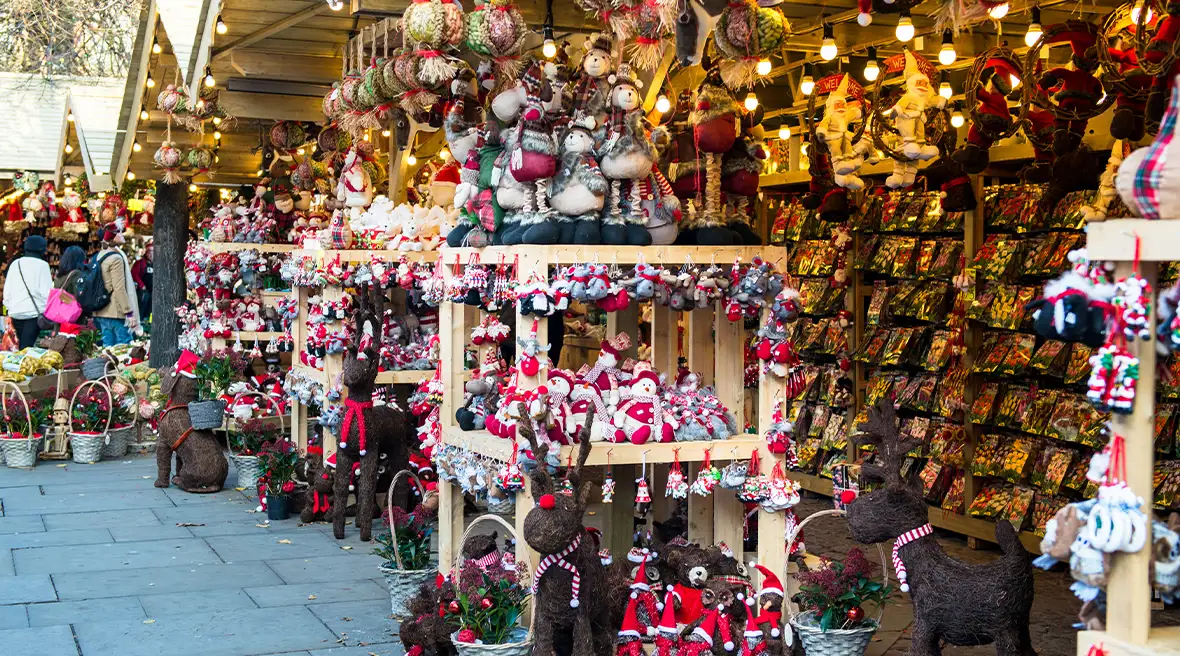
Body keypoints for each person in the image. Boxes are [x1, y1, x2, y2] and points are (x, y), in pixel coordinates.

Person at [92, 224, 140, 346]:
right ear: (112, 237)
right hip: (115, 312)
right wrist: (129, 312)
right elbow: (119, 288)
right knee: (123, 349)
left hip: (101, 310)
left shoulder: (99, 256)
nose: (121, 234)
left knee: (107, 348)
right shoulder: (116, 258)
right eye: (118, 232)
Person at [2, 236, 52, 349]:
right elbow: (47, 294)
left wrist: (10, 307)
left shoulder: (16, 264)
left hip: (15, 312)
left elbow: (7, 291)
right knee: (26, 348)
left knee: (17, 347)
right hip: (33, 314)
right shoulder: (43, 265)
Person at [131, 241, 153, 323]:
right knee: (144, 300)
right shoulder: (140, 263)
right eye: (149, 252)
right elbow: (134, 274)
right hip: (143, 290)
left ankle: (148, 321)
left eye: (153, 252)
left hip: (153, 290)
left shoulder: (156, 264)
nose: (151, 254)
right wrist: (142, 285)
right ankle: (140, 320)